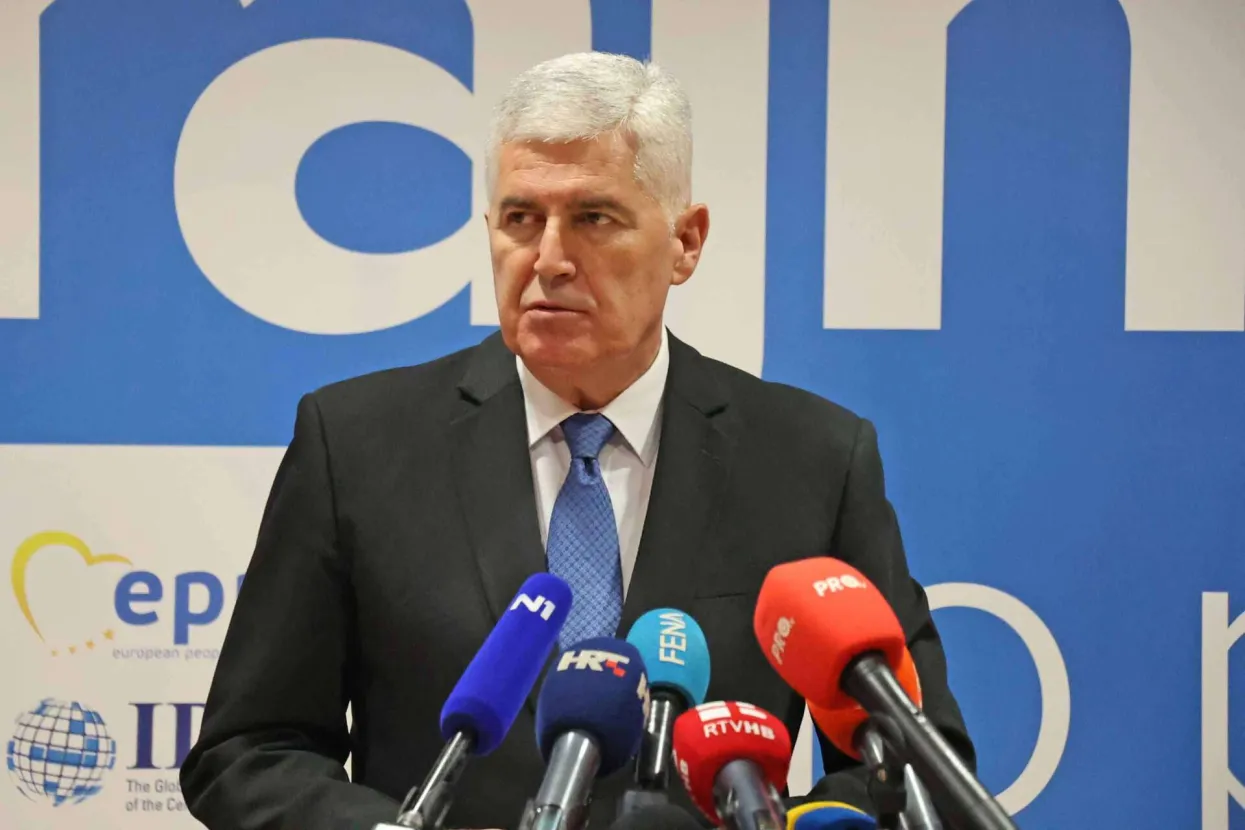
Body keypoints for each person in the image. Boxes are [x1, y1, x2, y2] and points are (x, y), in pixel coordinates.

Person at [179, 51, 975, 830]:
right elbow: (250, 751)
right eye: (520, 219)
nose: (549, 260)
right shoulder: (356, 444)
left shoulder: (811, 459)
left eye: (593, 218)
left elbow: (913, 770)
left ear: (686, 242)